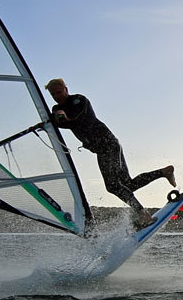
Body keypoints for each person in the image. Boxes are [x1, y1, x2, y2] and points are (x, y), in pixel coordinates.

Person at [45, 78, 175, 229]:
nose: (57, 96)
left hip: (108, 144)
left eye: (59, 92)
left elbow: (77, 120)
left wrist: (63, 117)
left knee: (112, 185)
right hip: (104, 148)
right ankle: (164, 172)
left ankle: (142, 214)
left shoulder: (79, 100)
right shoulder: (56, 108)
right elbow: (56, 120)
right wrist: (51, 120)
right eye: (53, 94)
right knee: (127, 184)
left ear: (66, 89)